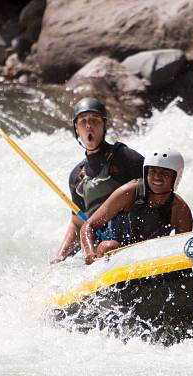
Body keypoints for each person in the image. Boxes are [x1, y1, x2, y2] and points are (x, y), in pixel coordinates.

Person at [51, 97, 144, 264]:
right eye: (83, 121)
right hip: (97, 242)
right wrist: (59, 257)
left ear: (104, 125)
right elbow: (78, 222)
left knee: (111, 244)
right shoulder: (76, 176)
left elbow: (157, 185)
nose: (89, 125)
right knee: (63, 262)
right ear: (76, 129)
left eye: (94, 120)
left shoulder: (124, 156)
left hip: (128, 234)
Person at [80, 148, 193, 264]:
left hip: (150, 259)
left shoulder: (180, 209)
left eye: (165, 173)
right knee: (110, 246)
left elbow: (183, 252)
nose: (157, 177)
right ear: (146, 173)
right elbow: (88, 225)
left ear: (176, 177)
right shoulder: (128, 192)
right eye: (152, 171)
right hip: (112, 254)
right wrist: (90, 252)